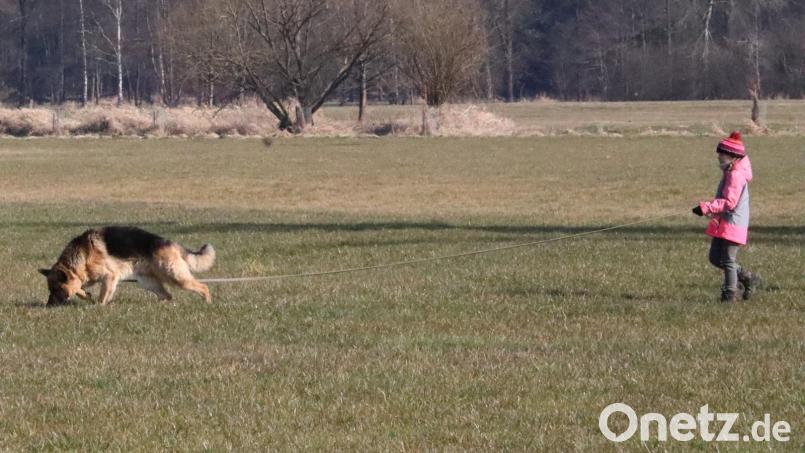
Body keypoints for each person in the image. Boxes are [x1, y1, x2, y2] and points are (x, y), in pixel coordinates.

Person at [692, 131, 761, 302]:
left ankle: (729, 295)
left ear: (733, 156)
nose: (719, 157)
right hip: (723, 223)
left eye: (722, 154)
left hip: (734, 224)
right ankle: (746, 277)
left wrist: (706, 208)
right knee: (715, 258)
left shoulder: (736, 176)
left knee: (728, 260)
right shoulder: (730, 173)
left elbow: (730, 202)